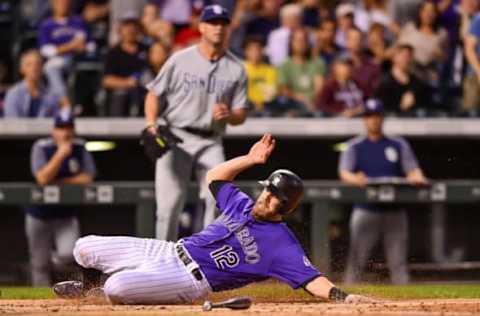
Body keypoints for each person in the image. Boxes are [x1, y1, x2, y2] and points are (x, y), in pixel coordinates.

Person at [53, 134, 371, 305]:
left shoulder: (282, 245)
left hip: (191, 281)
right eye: (266, 190)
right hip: (168, 250)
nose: (265, 196)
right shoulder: (241, 204)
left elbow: (312, 280)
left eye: (273, 195)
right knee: (84, 247)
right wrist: (251, 159)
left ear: (284, 206)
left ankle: (100, 291)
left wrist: (344, 297)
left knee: (117, 287)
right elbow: (215, 177)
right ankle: (87, 287)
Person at [144, 5, 248, 241]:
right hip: (176, 136)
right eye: (213, 22)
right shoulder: (180, 60)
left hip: (211, 141)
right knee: (168, 206)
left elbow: (241, 114)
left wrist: (230, 115)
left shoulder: (236, 68)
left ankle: (204, 259)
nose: (218, 28)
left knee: (217, 198)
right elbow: (153, 93)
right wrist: (151, 124)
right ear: (201, 27)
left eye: (223, 23)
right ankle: (163, 262)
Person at [339, 99, 427, 285]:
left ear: (382, 118)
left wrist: (416, 176)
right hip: (365, 210)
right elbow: (344, 173)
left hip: (394, 210)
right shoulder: (355, 145)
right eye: (369, 116)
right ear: (364, 119)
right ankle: (344, 307)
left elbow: (413, 170)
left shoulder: (397, 144)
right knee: (356, 262)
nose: (373, 120)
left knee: (398, 263)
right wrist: (355, 179)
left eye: (377, 116)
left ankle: (406, 310)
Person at [27, 109, 96, 286]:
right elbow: (42, 178)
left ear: (73, 129)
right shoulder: (41, 146)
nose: (65, 132)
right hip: (39, 214)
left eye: (68, 127)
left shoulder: (80, 147)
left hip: (66, 215)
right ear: (53, 130)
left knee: (68, 255)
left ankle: (56, 273)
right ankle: (40, 305)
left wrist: (58, 181)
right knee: (39, 264)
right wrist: (60, 154)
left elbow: (87, 178)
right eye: (61, 127)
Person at [38, 0, 95, 105]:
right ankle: (65, 103)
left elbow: (92, 46)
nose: (63, 5)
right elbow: (45, 50)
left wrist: (84, 48)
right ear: (53, 5)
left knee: (51, 71)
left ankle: (62, 105)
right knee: (50, 67)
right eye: (59, 3)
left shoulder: (79, 21)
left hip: (79, 59)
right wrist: (71, 46)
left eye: (65, 2)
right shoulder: (47, 25)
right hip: (58, 60)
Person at [102, 17, 148, 117]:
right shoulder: (113, 53)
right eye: (127, 27)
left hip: (145, 88)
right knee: (120, 95)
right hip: (123, 90)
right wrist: (128, 82)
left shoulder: (146, 49)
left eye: (133, 27)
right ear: (120, 31)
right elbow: (107, 80)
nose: (130, 30)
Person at [277, 28, 326, 114]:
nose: (301, 43)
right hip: (293, 105)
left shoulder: (317, 63)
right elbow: (284, 90)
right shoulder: (284, 65)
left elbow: (319, 88)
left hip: (314, 106)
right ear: (291, 43)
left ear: (308, 43)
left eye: (304, 40)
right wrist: (302, 99)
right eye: (297, 40)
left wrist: (311, 102)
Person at [4, 50, 62, 118]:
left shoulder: (51, 96)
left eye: (38, 64)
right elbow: (12, 123)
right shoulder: (13, 94)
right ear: (22, 69)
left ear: (42, 68)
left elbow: (55, 123)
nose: (34, 68)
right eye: (29, 65)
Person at [376, 44, 430, 115]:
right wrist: (401, 107)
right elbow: (380, 108)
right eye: (404, 56)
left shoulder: (416, 82)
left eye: (410, 56)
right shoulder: (385, 82)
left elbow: (424, 105)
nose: (407, 60)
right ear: (394, 57)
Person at [243, 37, 278, 113]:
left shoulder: (270, 70)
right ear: (246, 51)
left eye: (258, 49)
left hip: (266, 106)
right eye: (252, 50)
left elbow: (271, 91)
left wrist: (260, 103)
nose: (255, 53)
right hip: (246, 106)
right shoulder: (240, 69)